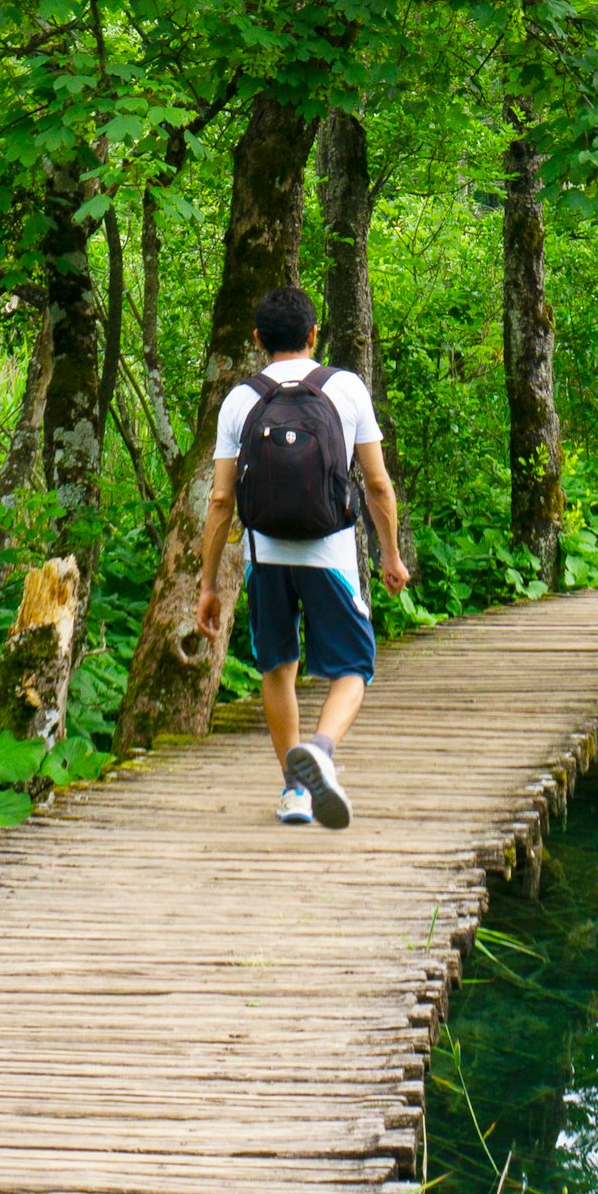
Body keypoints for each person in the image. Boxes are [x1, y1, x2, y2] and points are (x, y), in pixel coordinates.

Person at [193, 284, 409, 827]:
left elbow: (221, 500)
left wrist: (208, 585)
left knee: (277, 668)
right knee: (353, 667)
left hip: (265, 558)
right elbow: (378, 485)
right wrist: (391, 554)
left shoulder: (240, 399)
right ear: (315, 335)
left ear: (258, 339)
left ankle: (294, 792)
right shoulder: (346, 388)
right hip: (331, 555)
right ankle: (321, 750)